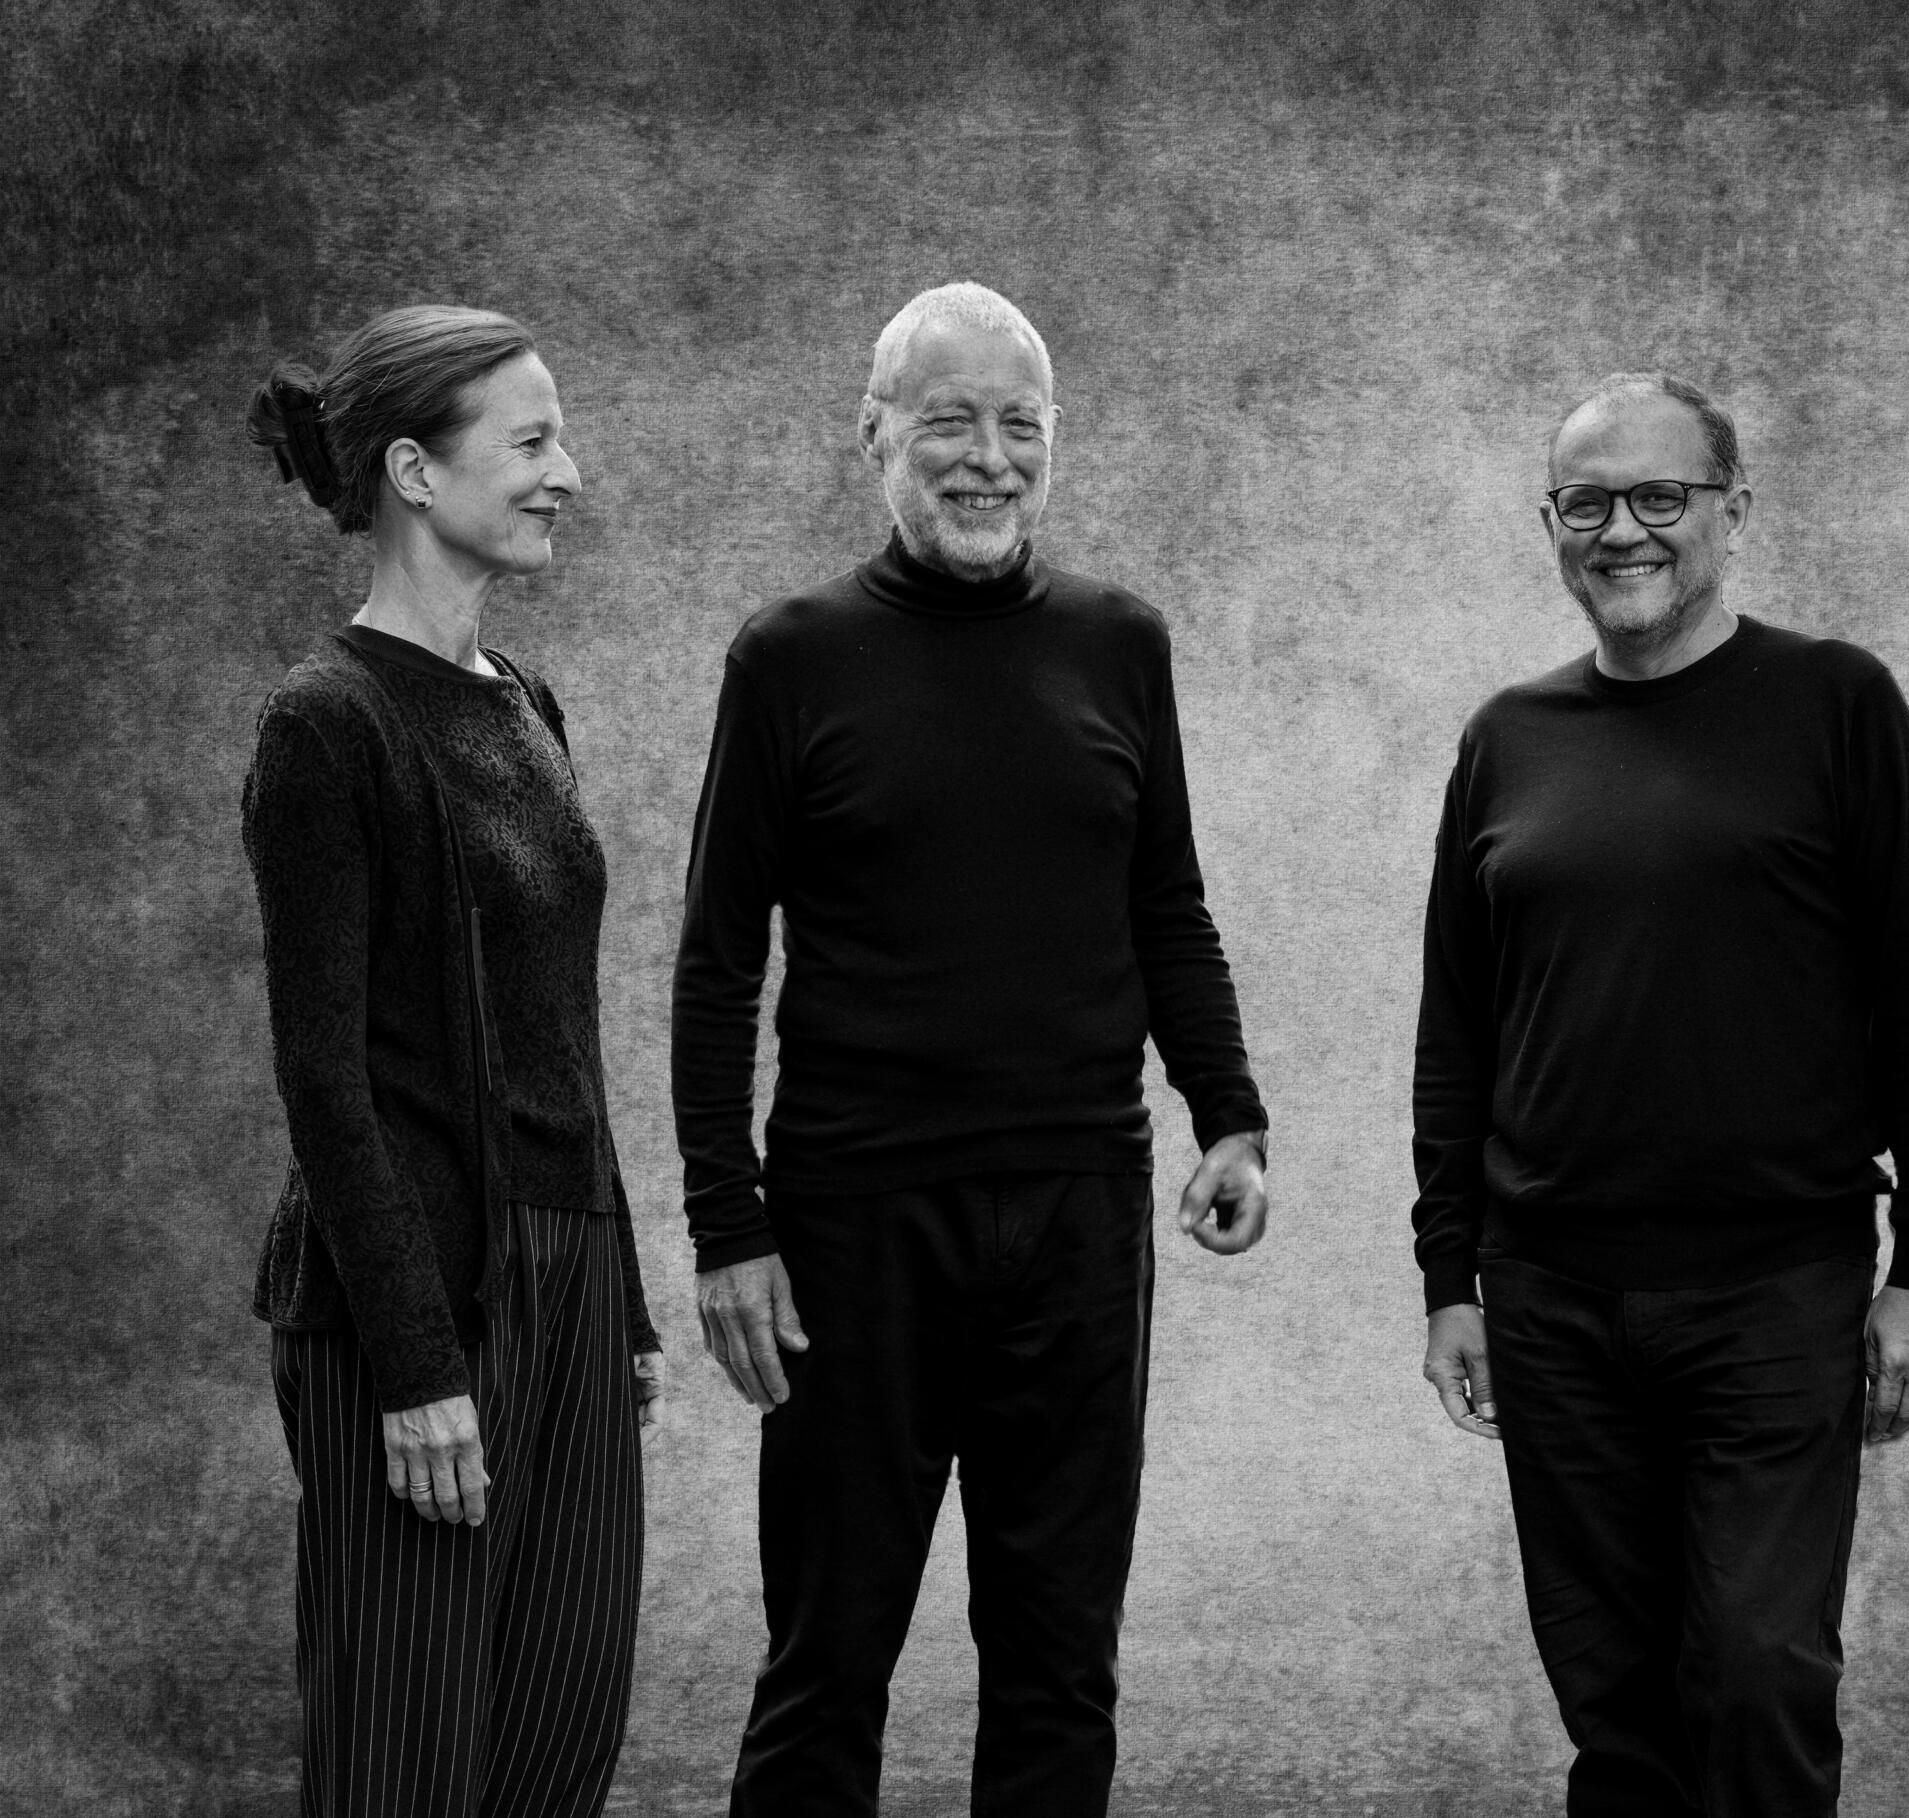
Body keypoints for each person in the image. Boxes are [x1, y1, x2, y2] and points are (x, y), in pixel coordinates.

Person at [672, 280, 1272, 1818]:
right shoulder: (791, 656)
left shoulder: (1118, 644)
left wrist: (1231, 1113)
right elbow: (719, 959)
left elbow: (1168, 903)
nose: (990, 458)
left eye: (1025, 425)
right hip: (855, 1220)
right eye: (952, 420)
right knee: (827, 1662)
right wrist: (728, 1225)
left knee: (1062, 1661)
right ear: (875, 436)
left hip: (1078, 1214)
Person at [1411, 371, 1909, 1816]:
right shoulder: (1506, 740)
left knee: (1762, 1667)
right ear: (1552, 523)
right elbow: (1456, 1036)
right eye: (1586, 503)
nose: (1623, 532)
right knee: (1616, 1703)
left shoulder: (1837, 704)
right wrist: (1449, 1278)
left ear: (1733, 509)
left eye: (1660, 496)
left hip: (1772, 1290)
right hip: (1551, 1296)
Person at [239, 304, 662, 1818]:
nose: (568, 472)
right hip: (410, 1298)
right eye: (533, 442)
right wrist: (416, 1364)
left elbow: (557, 1013)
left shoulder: (525, 703)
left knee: (557, 1744)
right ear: (414, 472)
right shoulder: (327, 723)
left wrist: (618, 1299)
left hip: (567, 1283)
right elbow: (325, 1077)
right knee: (405, 1764)